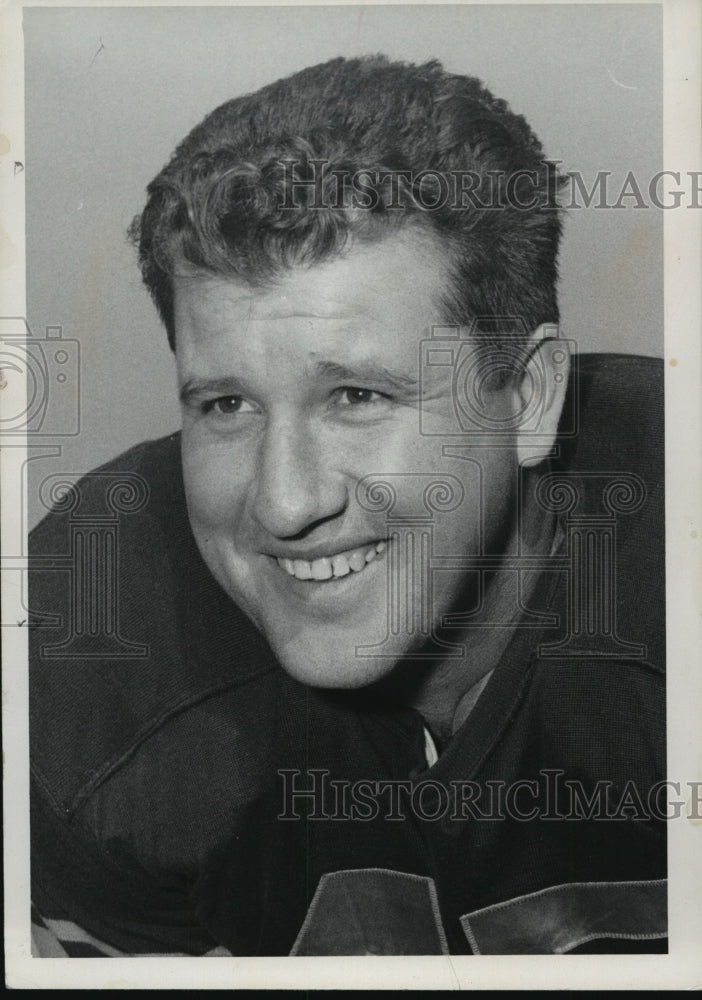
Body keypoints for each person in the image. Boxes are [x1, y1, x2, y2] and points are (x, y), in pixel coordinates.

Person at [29, 55, 666, 957]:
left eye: (358, 397)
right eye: (226, 405)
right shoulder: (90, 640)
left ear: (528, 397)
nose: (285, 503)